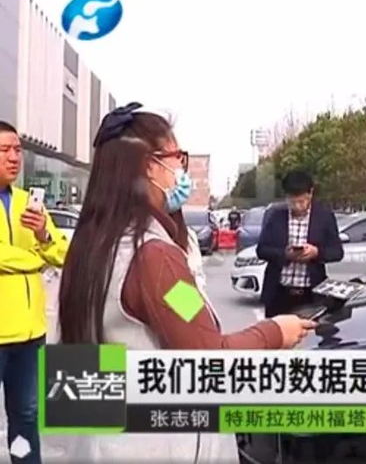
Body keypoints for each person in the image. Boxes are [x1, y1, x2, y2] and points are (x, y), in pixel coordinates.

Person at [56, 103, 316, 463]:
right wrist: (275, 332)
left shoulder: (89, 248)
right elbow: (209, 355)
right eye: (177, 157)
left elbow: (70, 383)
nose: (182, 170)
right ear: (150, 166)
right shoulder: (153, 257)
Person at [0, 120, 69, 464]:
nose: (14, 157)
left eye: (17, 150)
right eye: (4, 150)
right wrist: (34, 260)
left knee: (26, 418)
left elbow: (62, 254)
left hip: (29, 335)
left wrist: (43, 235)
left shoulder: (30, 203)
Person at [257, 170, 344, 317]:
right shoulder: (275, 216)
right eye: (292, 202)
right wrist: (285, 254)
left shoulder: (324, 217)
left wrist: (316, 252)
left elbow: (337, 252)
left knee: (309, 331)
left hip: (311, 294)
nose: (297, 206)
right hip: (279, 294)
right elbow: (262, 250)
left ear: (310, 193)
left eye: (301, 202)